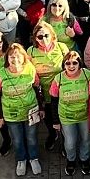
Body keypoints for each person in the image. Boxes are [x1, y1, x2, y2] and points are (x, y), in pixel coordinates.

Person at [0, 44, 45, 176]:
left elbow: (38, 89)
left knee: (32, 138)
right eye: (11, 56)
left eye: (18, 56)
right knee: (17, 139)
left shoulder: (30, 69)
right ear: (7, 58)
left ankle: (33, 158)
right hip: (11, 114)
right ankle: (21, 160)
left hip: (31, 111)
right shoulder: (1, 74)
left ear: (23, 57)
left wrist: (41, 108)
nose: (15, 59)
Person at [28, 22, 71, 152]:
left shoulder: (62, 48)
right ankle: (52, 134)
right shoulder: (31, 51)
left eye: (47, 35)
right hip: (43, 93)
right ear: (35, 38)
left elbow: (70, 68)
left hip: (61, 93)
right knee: (48, 118)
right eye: (40, 37)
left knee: (64, 120)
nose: (44, 39)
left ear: (52, 35)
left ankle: (66, 143)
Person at [50, 50, 90, 175]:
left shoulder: (87, 75)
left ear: (79, 63)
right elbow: (53, 100)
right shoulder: (58, 78)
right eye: (68, 63)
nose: (71, 66)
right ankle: (71, 161)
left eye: (74, 63)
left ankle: (84, 160)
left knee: (86, 139)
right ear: (64, 65)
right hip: (66, 117)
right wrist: (55, 121)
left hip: (84, 115)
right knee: (70, 142)